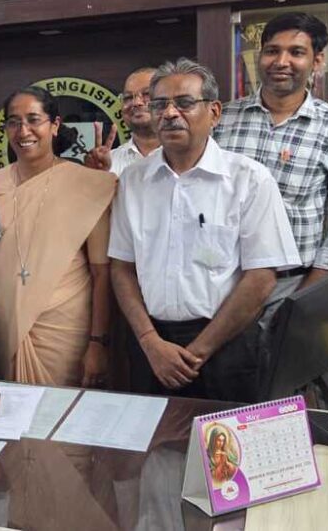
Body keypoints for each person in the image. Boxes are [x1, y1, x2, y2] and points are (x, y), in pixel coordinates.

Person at [109, 59, 300, 402]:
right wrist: (150, 342)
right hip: (150, 345)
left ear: (214, 112)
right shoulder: (133, 181)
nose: (169, 113)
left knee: (226, 437)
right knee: (152, 436)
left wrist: (197, 353)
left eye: (184, 103)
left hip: (226, 346)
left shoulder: (248, 179)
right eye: (159, 104)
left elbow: (261, 278)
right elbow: (122, 269)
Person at [214, 12, 328, 317]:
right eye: (272, 51)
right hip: (221, 284)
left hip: (292, 286)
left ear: (317, 61)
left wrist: (303, 298)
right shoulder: (221, 120)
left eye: (296, 52)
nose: (281, 61)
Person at [0, 86, 115, 387]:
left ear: (54, 125)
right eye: (14, 122)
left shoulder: (87, 185)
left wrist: (98, 342)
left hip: (63, 327)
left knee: (60, 411)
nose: (23, 131)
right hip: (1, 324)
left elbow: (101, 273)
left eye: (33, 120)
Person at [84, 67, 160, 176]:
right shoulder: (107, 163)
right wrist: (96, 177)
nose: (136, 103)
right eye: (128, 97)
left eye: (147, 94)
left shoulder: (182, 157)